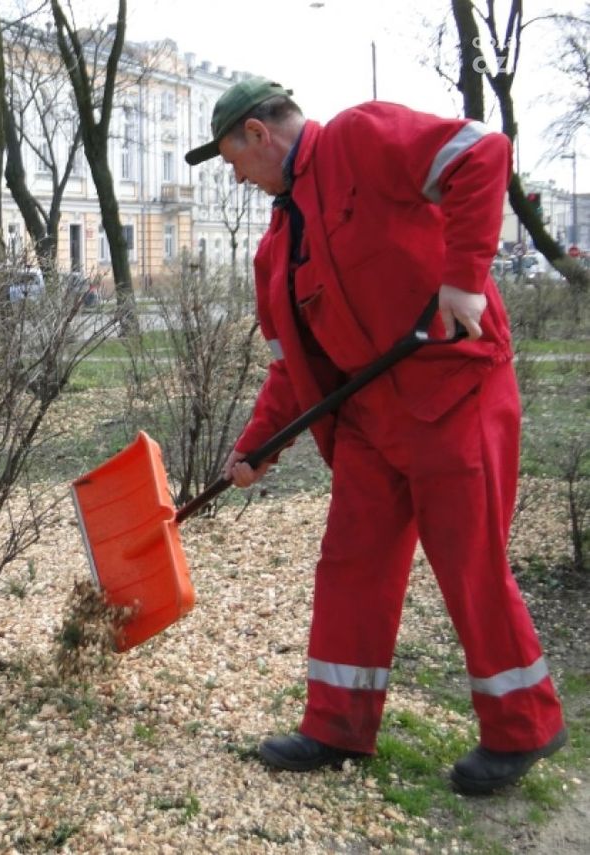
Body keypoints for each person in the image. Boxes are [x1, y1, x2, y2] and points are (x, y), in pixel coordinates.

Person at [185, 78, 565, 795]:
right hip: (369, 421)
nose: (236, 175)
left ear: (258, 136)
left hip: (453, 392)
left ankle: (525, 725)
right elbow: (294, 369)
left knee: (469, 562)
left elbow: (483, 151)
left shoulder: (361, 139)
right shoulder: (275, 251)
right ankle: (337, 726)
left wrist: (464, 279)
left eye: (234, 160)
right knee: (351, 562)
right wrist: (256, 446)